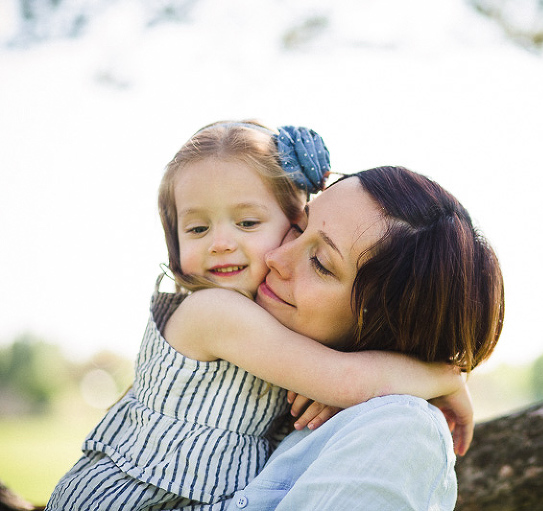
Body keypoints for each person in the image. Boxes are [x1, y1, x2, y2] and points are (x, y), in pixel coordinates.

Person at [45, 121, 473, 511]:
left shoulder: (273, 329)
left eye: (247, 222)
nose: (220, 242)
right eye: (197, 229)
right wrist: (446, 377)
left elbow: (341, 381)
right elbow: (345, 379)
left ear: (292, 216)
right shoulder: (215, 312)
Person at [208, 164, 504, 510]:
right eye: (298, 228)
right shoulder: (228, 327)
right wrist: (443, 377)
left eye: (319, 262)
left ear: (384, 325)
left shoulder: (398, 431)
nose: (274, 257)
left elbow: (348, 382)